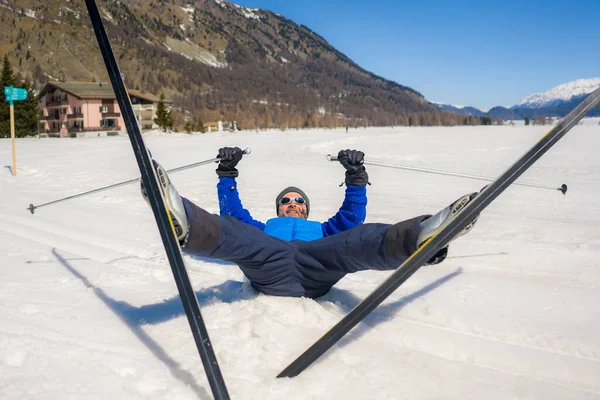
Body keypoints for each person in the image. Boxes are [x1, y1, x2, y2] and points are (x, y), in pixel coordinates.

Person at [142, 148, 478, 298]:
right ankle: (183, 222)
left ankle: (418, 238)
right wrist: (227, 173)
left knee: (358, 237)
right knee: (235, 230)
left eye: (298, 200)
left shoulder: (322, 231)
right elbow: (233, 213)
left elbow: (350, 217)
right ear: (279, 208)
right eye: (285, 200)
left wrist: (356, 176)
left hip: (316, 264)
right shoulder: (265, 228)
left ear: (306, 209)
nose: (291, 203)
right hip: (269, 263)